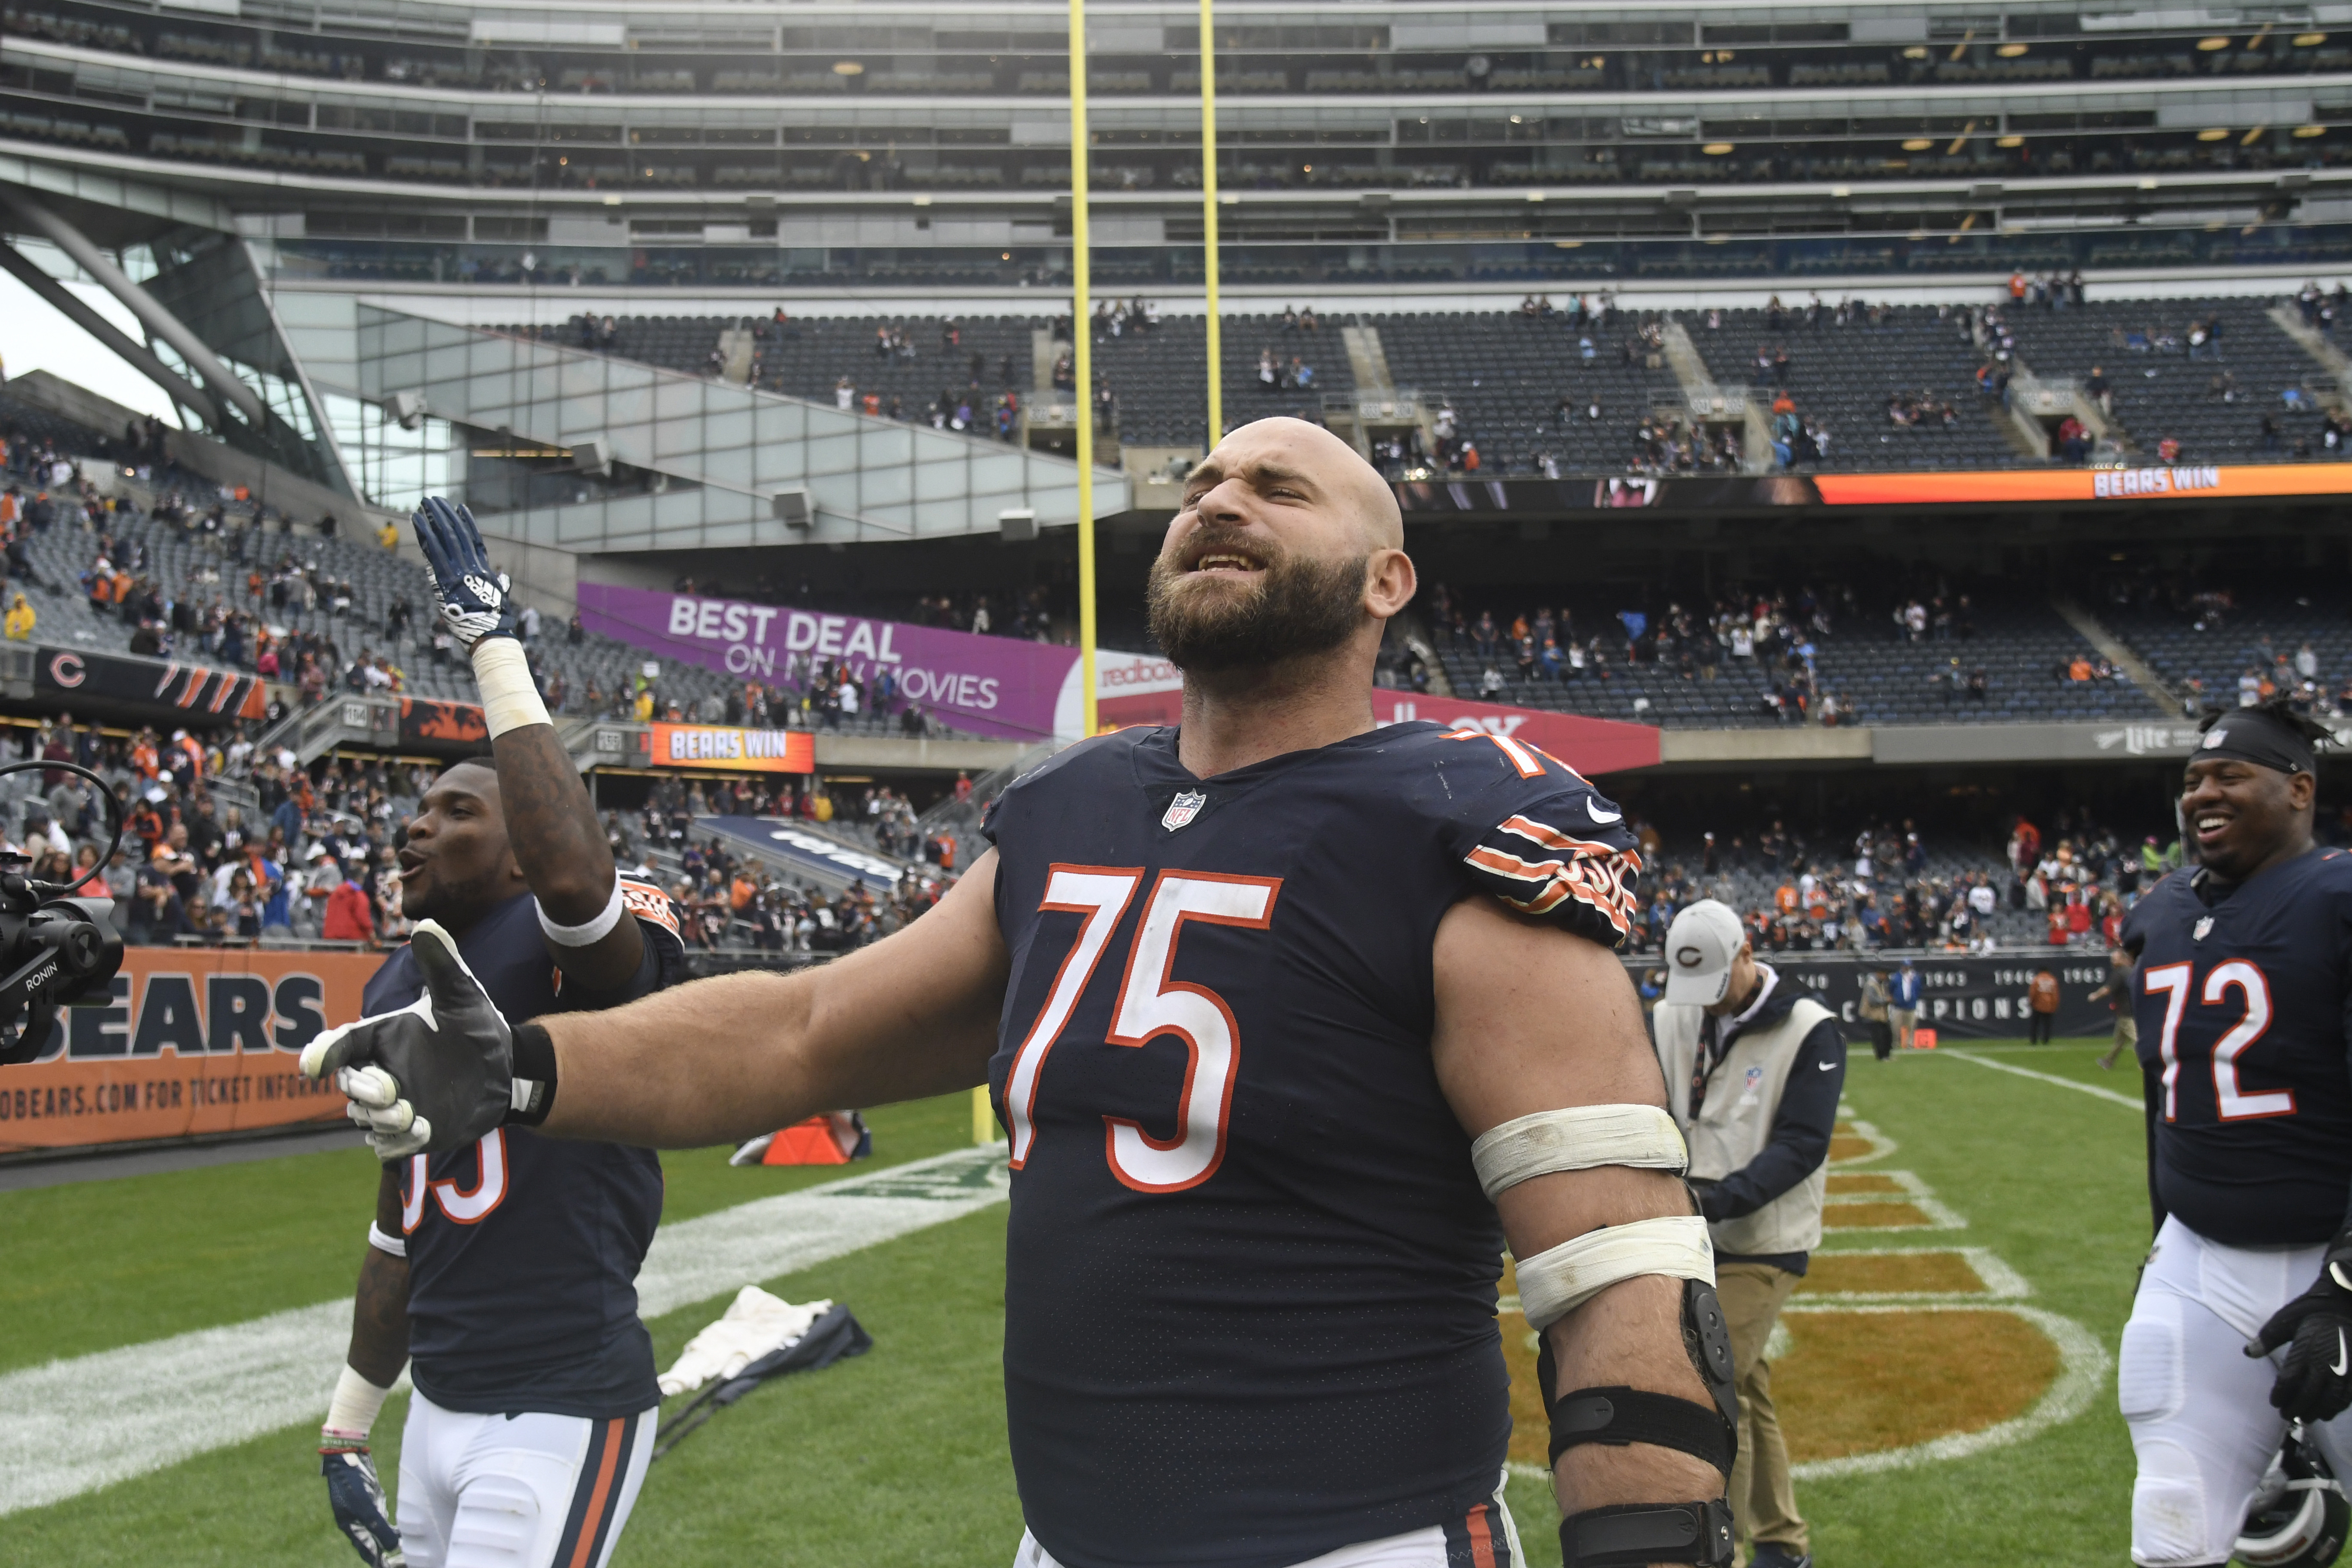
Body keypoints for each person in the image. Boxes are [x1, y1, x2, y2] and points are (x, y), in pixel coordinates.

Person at [309, 419, 1746, 1568]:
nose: (1219, 499)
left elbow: (1615, 1257)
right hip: (1066, 1536)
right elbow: (801, 1027)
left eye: (1279, 486)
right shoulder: (1071, 807)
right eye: (1200, 484)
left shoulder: (1449, 811)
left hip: (1352, 1535)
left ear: (1386, 581)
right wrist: (522, 1069)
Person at [314, 499, 686, 1568]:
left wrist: (492, 644)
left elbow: (577, 882)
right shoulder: (398, 975)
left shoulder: (568, 920)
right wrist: (350, 1419)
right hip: (439, 1398)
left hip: (560, 1401)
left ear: (523, 840)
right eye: (415, 809)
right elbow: (402, 1217)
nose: (414, 824)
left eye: (454, 810)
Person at [2112, 699, 2352, 1568]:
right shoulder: (2162, 912)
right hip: (2201, 1263)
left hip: (2334, 1258)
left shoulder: (2337, 894)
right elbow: (2161, 1102)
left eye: (2228, 775)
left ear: (2297, 789)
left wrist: (2343, 1286)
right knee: (2172, 1528)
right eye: (2191, 779)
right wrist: (2158, 1238)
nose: (2201, 793)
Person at [1650, 900, 1844, 1568]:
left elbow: (1802, 1144)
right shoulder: (1672, 1011)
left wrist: (1715, 1200)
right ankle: (1784, 1543)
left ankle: (1715, 1551)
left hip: (1763, 1240)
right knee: (1747, 1385)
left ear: (1746, 952)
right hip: (1689, 1231)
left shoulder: (1811, 1029)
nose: (1702, 1006)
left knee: (1710, 1382)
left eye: (1714, 986)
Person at [2092, 946, 2140, 1072]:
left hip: (2126, 1013)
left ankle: (2145, 1063)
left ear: (2123, 959)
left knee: (2136, 1039)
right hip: (2132, 1010)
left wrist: (2095, 996)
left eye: (2115, 959)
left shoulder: (2119, 973)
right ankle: (2108, 1061)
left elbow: (2107, 989)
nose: (2113, 962)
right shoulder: (2132, 971)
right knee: (2119, 1041)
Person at [1858, 967, 1893, 1061]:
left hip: (1882, 1015)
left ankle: (1887, 1055)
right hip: (1872, 1016)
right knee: (1879, 1037)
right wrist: (1886, 1000)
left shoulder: (1881, 984)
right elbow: (1872, 1001)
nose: (1885, 977)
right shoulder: (1871, 984)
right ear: (1879, 974)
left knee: (1887, 1035)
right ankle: (1881, 1056)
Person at [1887, 958, 1923, 1050]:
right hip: (1898, 1006)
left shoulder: (1915, 977)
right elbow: (1891, 989)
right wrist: (1895, 999)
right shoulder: (1896, 977)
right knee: (1895, 1027)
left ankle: (1910, 1044)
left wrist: (1914, 998)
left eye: (1908, 966)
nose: (1906, 968)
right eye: (1905, 966)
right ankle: (1895, 1043)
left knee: (1911, 1027)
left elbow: (1918, 989)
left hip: (1911, 1006)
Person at [2026, 966, 2059, 1045]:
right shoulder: (2052, 980)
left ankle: (2034, 1040)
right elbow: (2055, 995)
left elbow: (2033, 993)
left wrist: (2031, 1002)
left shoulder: (2037, 979)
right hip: (2049, 1005)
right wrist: (2054, 1005)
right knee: (2047, 1024)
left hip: (2038, 1005)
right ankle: (2046, 1040)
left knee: (2035, 1024)